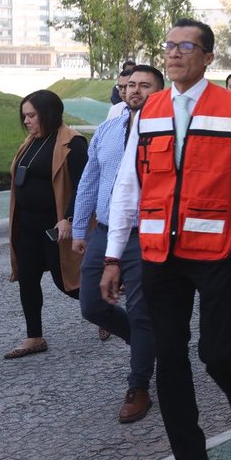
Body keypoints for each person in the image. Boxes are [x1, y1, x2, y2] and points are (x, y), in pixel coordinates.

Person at [100, 18, 231, 460]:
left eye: (186, 47)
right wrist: (113, 256)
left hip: (218, 253)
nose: (174, 53)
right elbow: (128, 185)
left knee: (215, 352)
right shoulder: (149, 110)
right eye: (169, 46)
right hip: (160, 253)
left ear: (207, 58)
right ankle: (190, 459)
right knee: (170, 357)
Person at [72, 65, 163, 424]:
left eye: (144, 85)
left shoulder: (170, 132)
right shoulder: (108, 130)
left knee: (142, 311)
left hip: (146, 234)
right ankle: (147, 344)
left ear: (161, 91)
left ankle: (139, 384)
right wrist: (80, 227)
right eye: (129, 85)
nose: (134, 91)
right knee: (91, 305)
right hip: (105, 231)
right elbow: (89, 179)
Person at [5, 91, 87, 359]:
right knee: (27, 279)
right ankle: (34, 336)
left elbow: (83, 186)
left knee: (66, 282)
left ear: (48, 114)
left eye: (31, 115)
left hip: (55, 228)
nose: (26, 121)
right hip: (26, 225)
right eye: (24, 116)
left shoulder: (72, 143)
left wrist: (68, 217)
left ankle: (104, 311)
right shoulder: (31, 141)